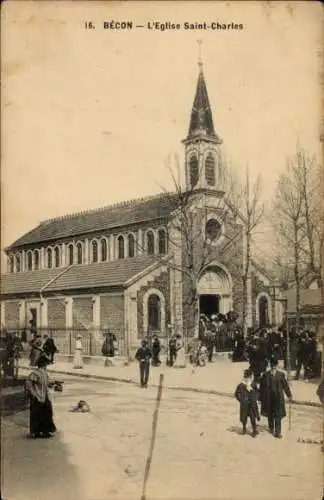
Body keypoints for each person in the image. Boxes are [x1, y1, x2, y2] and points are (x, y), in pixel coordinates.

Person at [259, 357, 292, 438]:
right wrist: (260, 398)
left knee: (278, 414)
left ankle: (278, 432)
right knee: (270, 413)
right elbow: (262, 387)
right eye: (272, 365)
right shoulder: (265, 375)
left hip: (278, 397)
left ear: (276, 365)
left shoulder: (281, 375)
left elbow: (285, 386)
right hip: (268, 397)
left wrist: (289, 395)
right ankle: (271, 427)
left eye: (274, 365)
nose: (273, 366)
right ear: (270, 365)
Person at [25, 354, 56, 438]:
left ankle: (45, 431)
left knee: (47, 413)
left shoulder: (44, 373)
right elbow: (28, 383)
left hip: (44, 396)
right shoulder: (35, 373)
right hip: (37, 396)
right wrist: (33, 393)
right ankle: (36, 432)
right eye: (46, 364)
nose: (46, 366)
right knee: (37, 414)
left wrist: (53, 384)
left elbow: (46, 383)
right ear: (43, 364)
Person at [234, 369, 260, 437]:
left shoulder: (253, 384)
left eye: (249, 377)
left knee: (252, 417)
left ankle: (253, 430)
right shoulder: (241, 385)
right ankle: (245, 429)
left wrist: (255, 398)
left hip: (251, 404)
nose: (248, 378)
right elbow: (236, 394)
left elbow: (257, 392)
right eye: (247, 377)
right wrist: (241, 400)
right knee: (244, 417)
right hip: (245, 404)